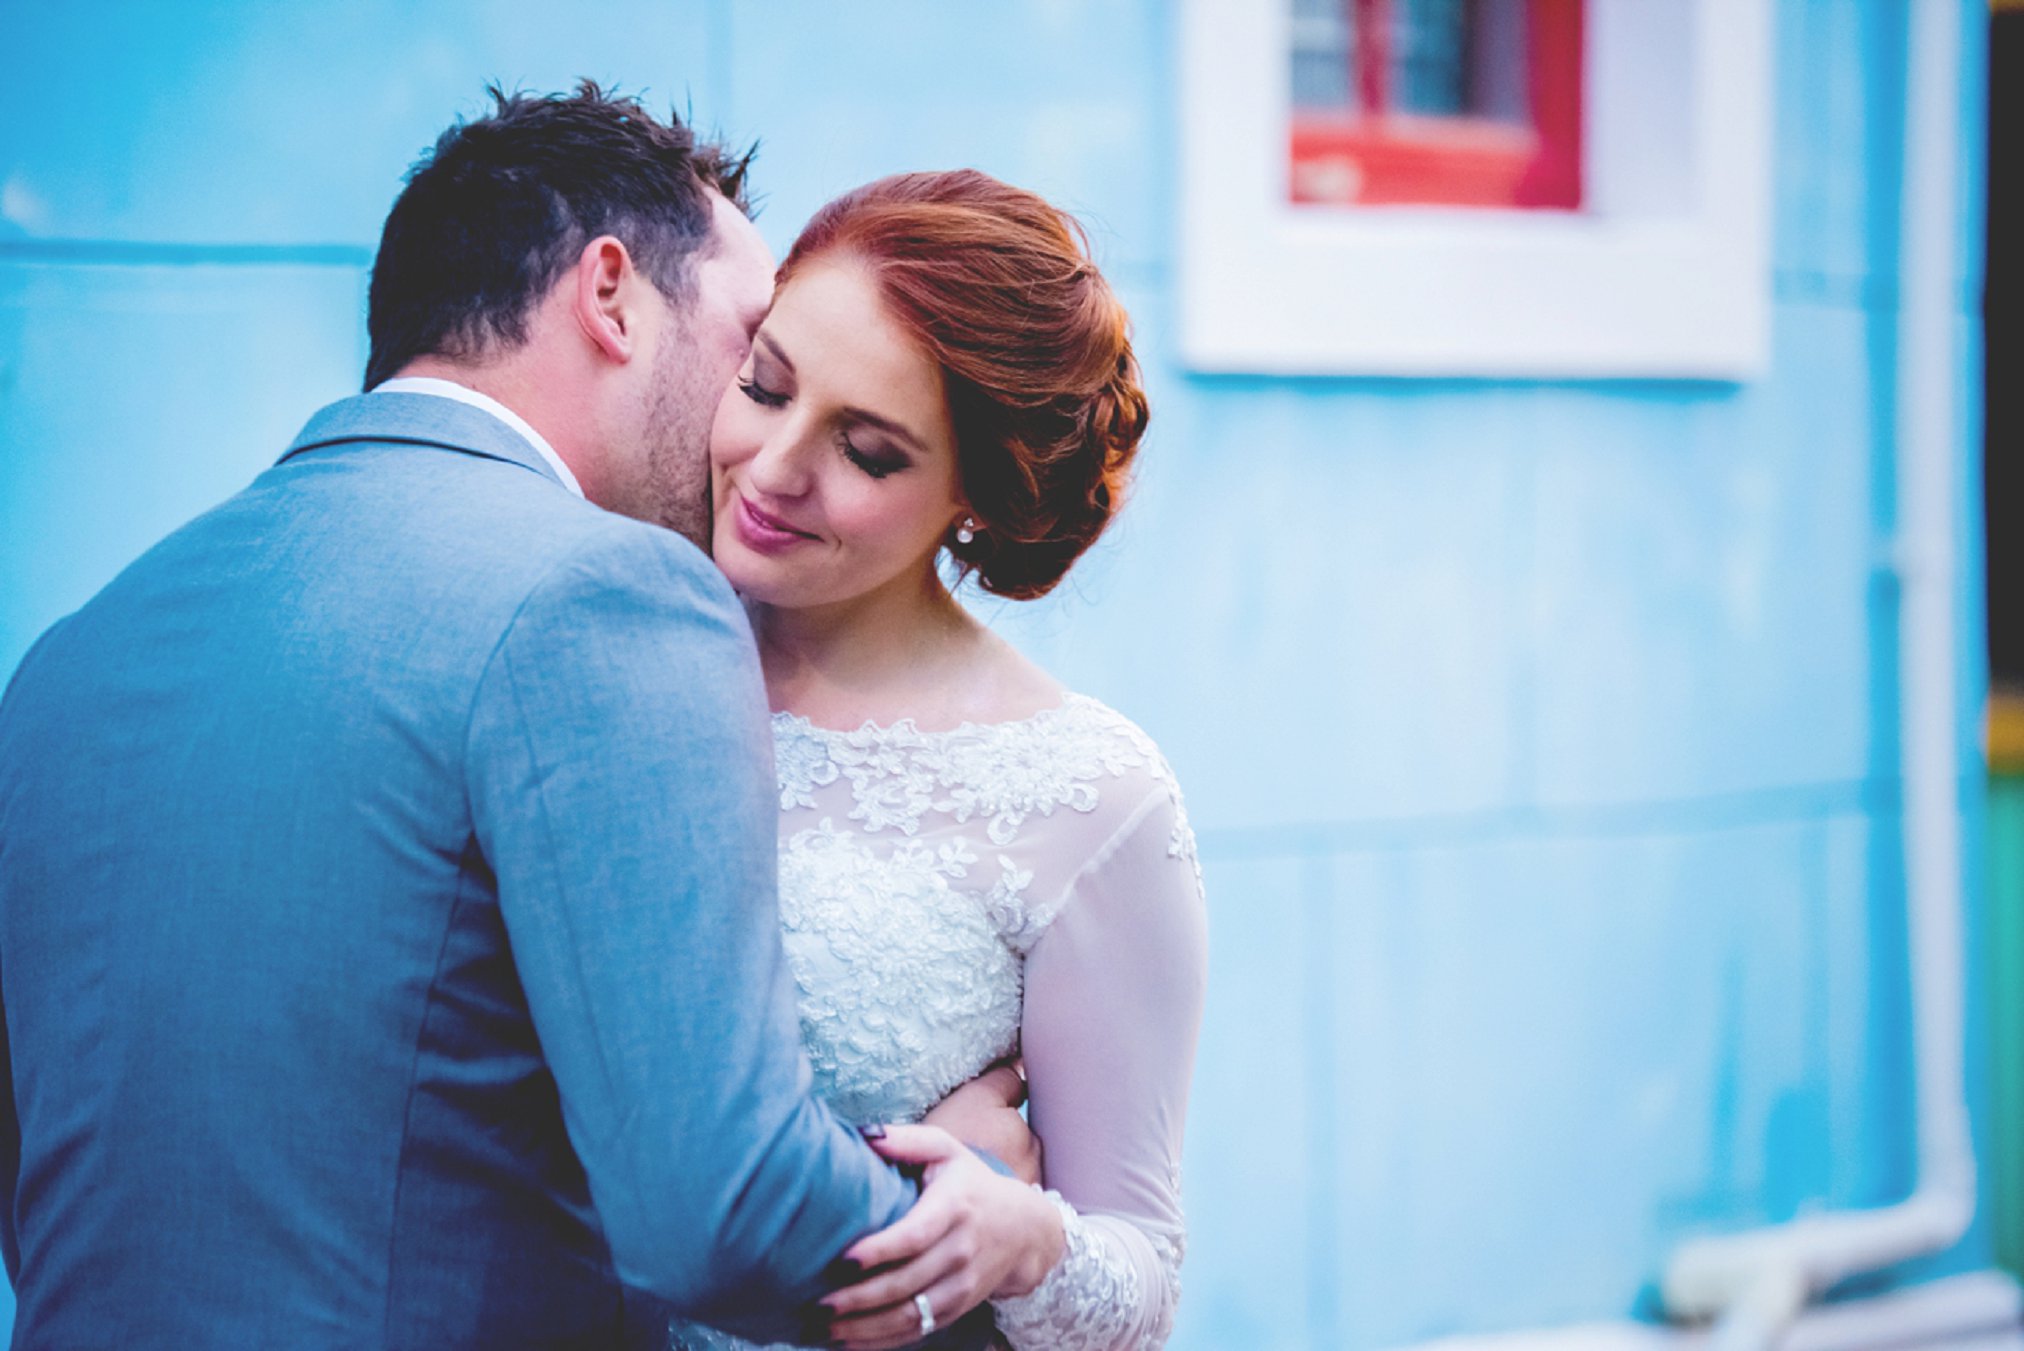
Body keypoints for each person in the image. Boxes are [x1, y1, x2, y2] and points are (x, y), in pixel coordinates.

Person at [0, 87, 1043, 1349]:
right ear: (611, 296)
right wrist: (962, 1209)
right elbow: (720, 1209)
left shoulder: (68, 657)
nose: (749, 429)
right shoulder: (605, 592)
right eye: (750, 354)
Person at [672, 171, 1210, 1351]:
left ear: (973, 493)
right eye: (764, 385)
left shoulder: (1088, 797)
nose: (773, 467)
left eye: (867, 452)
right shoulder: (614, 660)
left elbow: (1139, 1281)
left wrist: (1014, 1235)